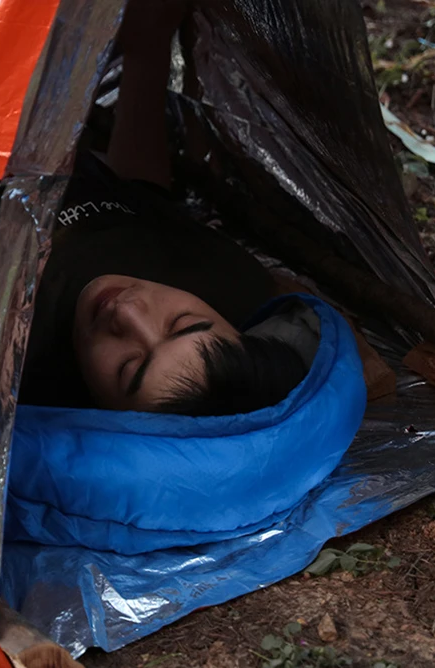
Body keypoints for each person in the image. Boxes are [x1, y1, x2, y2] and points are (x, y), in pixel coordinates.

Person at [19, 0, 315, 415]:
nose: (125, 311)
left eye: (128, 367)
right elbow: (140, 198)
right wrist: (148, 46)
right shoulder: (228, 281)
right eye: (183, 323)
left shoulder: (16, 355)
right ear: (230, 321)